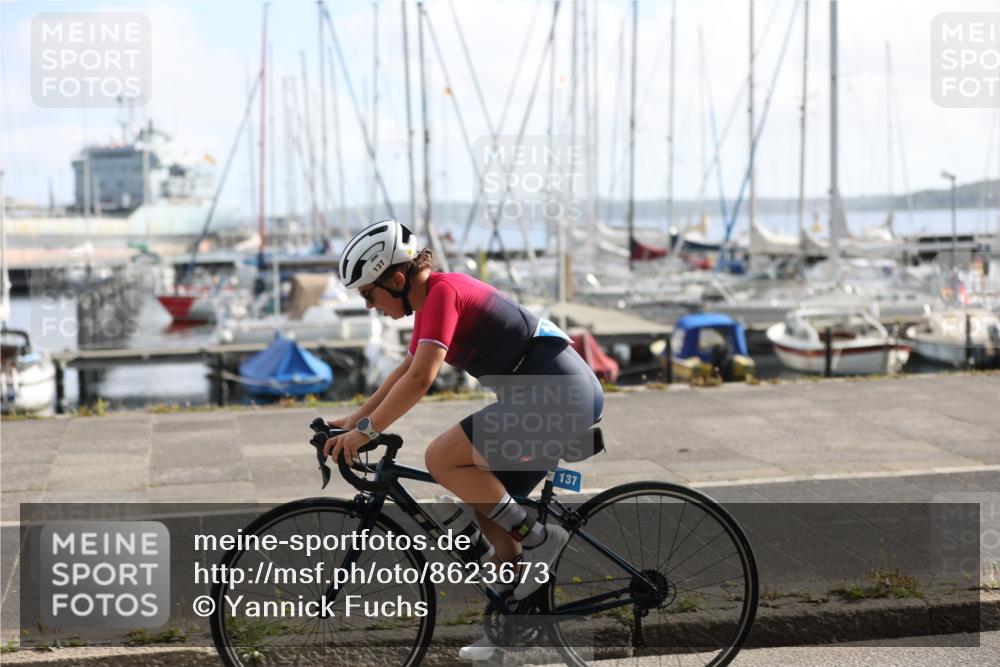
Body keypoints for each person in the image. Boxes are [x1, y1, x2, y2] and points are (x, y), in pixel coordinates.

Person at [324, 219, 604, 659]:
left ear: (396, 280)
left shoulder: (443, 293)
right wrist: (354, 419)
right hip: (550, 395)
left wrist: (367, 432)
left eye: (368, 293)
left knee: (443, 458)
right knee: (486, 515)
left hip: (559, 394)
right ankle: (506, 637)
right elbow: (403, 370)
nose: (369, 305)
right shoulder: (430, 299)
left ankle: (540, 539)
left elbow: (421, 378)